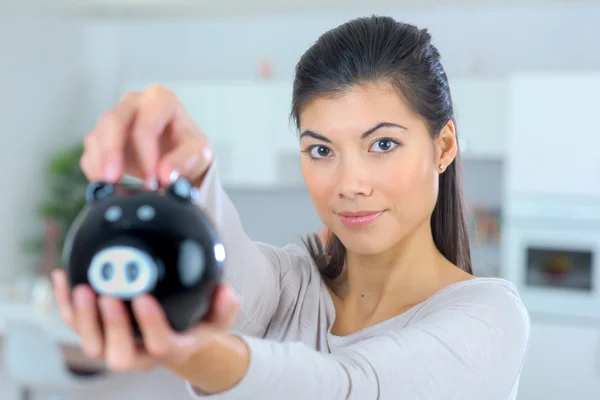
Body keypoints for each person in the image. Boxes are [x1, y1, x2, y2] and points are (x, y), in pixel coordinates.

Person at [51, 15, 530, 399]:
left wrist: (194, 355)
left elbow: (352, 387)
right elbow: (230, 277)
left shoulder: (489, 317)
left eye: (383, 144)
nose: (349, 184)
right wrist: (190, 170)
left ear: (444, 146)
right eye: (321, 150)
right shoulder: (290, 285)